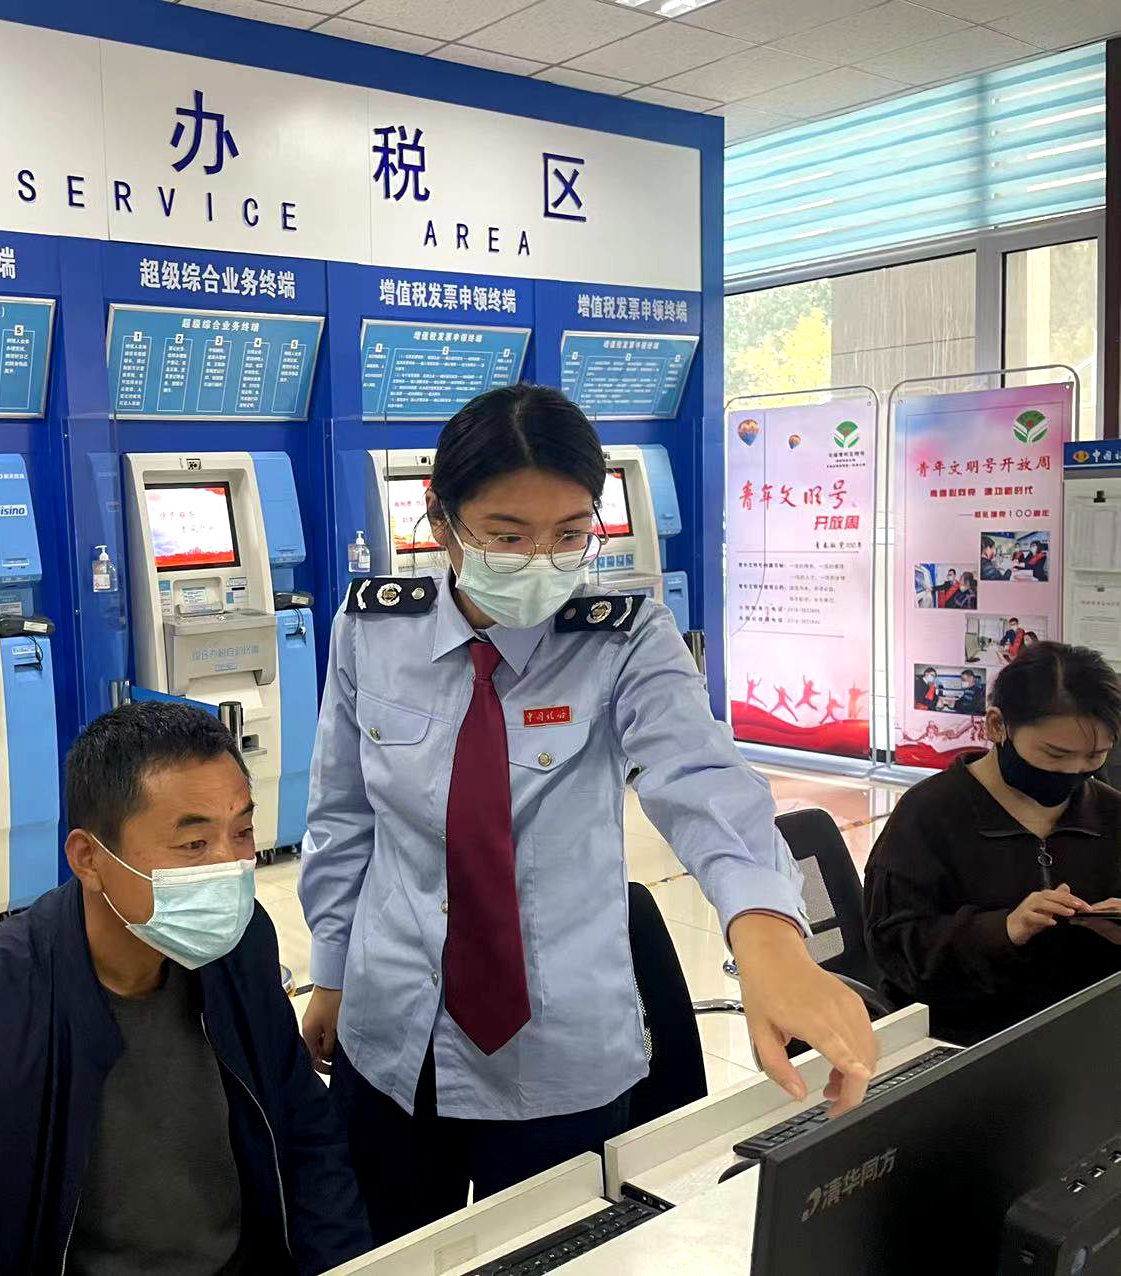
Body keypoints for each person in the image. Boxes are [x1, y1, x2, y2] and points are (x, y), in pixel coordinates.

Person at [298, 383, 876, 1246]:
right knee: (386, 1254)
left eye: (570, 534)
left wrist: (766, 934)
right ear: (441, 520)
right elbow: (344, 818)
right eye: (507, 536)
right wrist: (332, 972)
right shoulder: (372, 629)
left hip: (558, 1057)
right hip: (391, 1042)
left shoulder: (624, 637)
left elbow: (701, 776)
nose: (541, 561)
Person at [0, 701, 371, 1275]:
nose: (230, 865)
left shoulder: (240, 949)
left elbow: (308, 1139)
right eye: (194, 845)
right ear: (88, 858)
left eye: (241, 832)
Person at [866, 641, 1121, 1046]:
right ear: (997, 726)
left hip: (1085, 1029)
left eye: (1095, 757)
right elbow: (897, 950)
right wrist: (1004, 930)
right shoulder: (929, 815)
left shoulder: (1111, 813)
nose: (1075, 772)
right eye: (1055, 755)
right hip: (963, 1039)